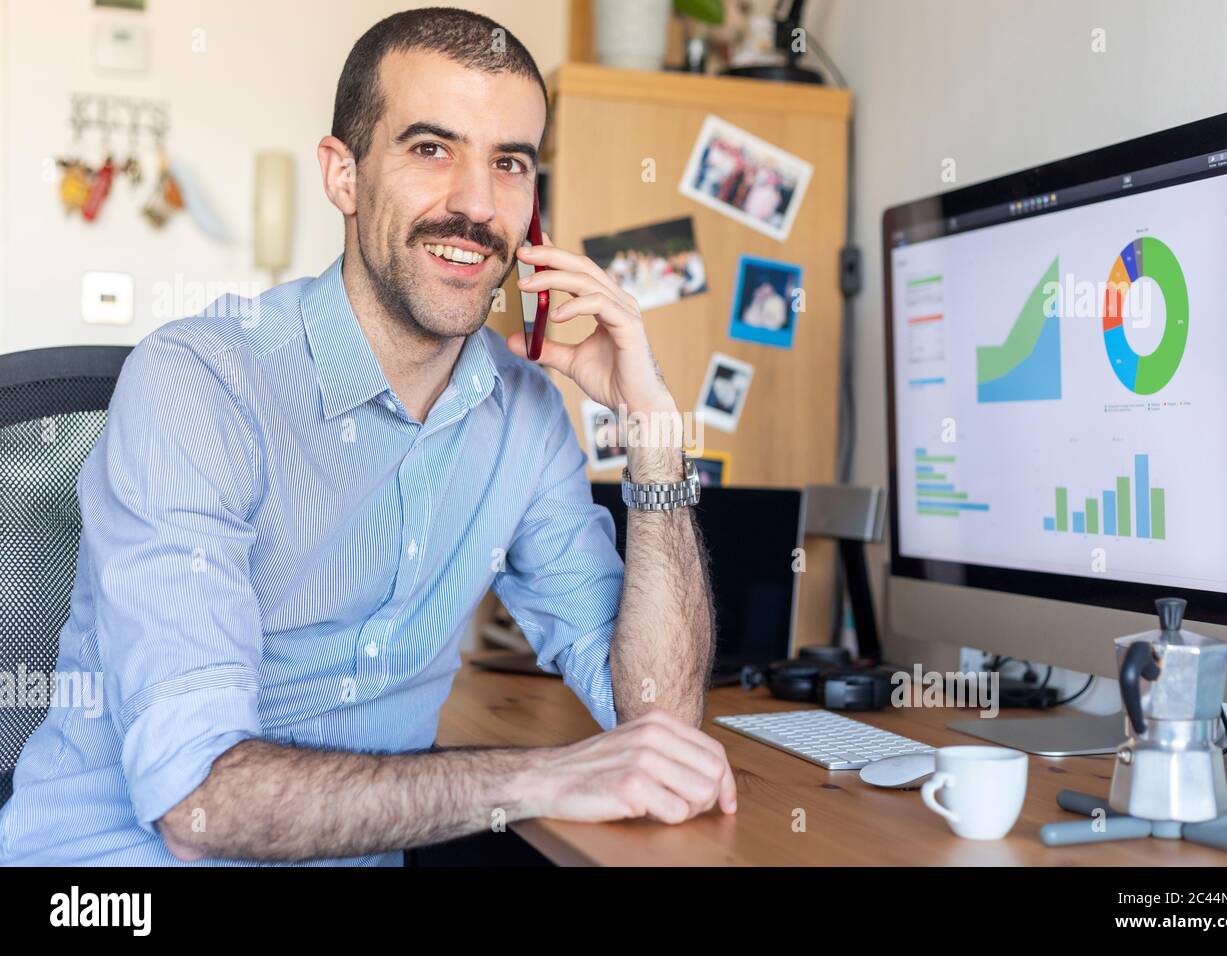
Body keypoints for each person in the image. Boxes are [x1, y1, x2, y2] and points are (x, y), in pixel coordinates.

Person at [0, 6, 734, 867]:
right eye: (431, 149)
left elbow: (657, 720)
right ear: (343, 176)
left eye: (510, 164)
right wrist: (544, 778)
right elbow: (196, 806)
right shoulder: (199, 383)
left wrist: (653, 431)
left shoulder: (525, 416)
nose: (475, 205)